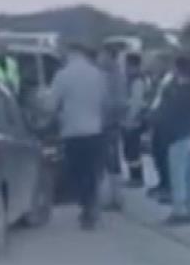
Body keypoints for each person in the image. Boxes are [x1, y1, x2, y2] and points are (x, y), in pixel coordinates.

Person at [44, 42, 108, 229]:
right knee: (92, 171)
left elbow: (50, 105)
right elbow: (104, 102)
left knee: (77, 171)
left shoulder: (63, 75)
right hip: (95, 130)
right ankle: (91, 203)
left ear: (71, 54)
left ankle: (86, 205)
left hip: (73, 131)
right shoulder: (98, 75)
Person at [158, 55, 190, 225]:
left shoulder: (177, 90)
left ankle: (179, 211)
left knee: (178, 176)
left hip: (178, 137)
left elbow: (168, 112)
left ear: (179, 69)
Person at [98, 44, 127, 211]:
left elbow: (117, 102)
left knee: (111, 161)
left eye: (103, 55)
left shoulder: (114, 76)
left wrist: (108, 115)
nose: (100, 59)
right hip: (109, 122)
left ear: (110, 56)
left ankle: (116, 198)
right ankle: (114, 197)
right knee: (111, 161)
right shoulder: (112, 74)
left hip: (109, 124)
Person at [146, 50, 176, 203]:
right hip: (157, 123)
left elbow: (166, 102)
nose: (154, 65)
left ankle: (169, 188)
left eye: (156, 63)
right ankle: (163, 183)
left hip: (167, 124)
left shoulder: (171, 80)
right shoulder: (158, 79)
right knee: (157, 154)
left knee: (165, 157)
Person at [122, 52, 149, 188]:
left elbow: (136, 103)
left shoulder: (137, 81)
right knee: (131, 150)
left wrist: (129, 120)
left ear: (133, 65)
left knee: (133, 151)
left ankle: (137, 178)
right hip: (132, 120)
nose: (126, 68)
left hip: (134, 121)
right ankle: (134, 177)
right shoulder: (135, 79)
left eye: (127, 65)